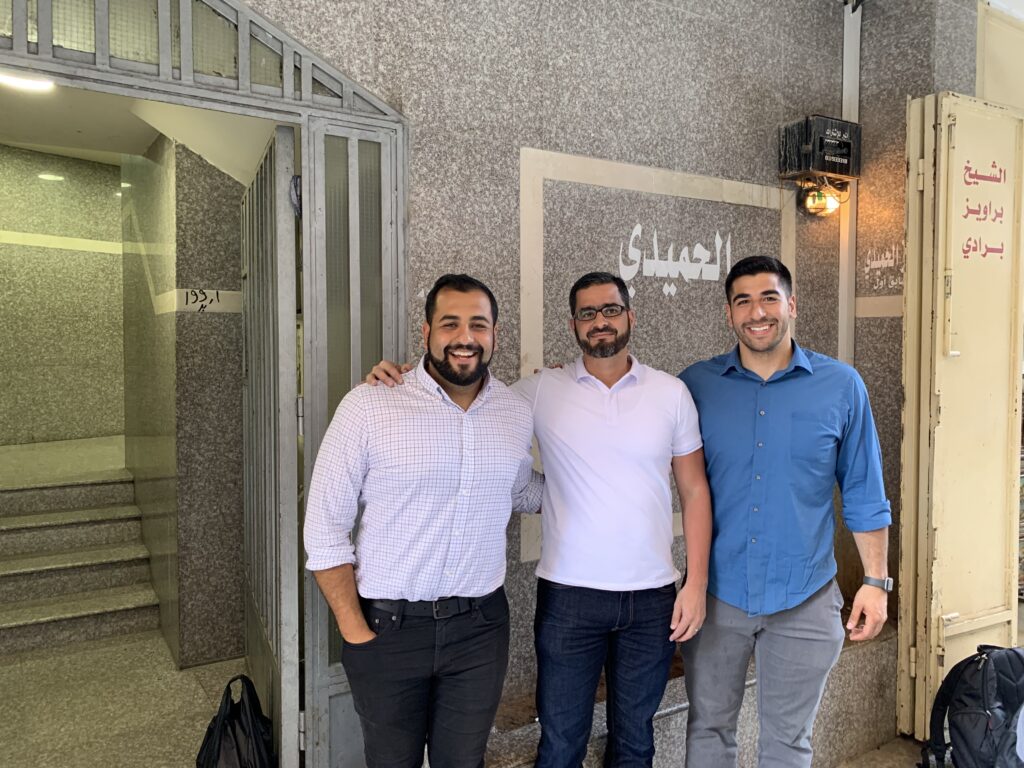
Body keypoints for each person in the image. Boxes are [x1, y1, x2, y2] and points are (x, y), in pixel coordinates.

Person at [368, 272, 712, 767]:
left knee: (635, 740)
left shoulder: (670, 392)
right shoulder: (539, 391)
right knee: (561, 742)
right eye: (588, 313)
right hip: (569, 599)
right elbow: (464, 397)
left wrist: (694, 582)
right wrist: (401, 381)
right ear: (573, 324)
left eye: (611, 310)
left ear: (630, 316)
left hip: (652, 598)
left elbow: (695, 489)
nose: (601, 322)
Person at [304, 273, 543, 768]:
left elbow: (520, 491)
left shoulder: (515, 412)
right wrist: (355, 632)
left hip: (480, 630)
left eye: (478, 324)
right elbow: (324, 528)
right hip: (388, 631)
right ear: (426, 331)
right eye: (450, 322)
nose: (465, 337)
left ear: (495, 333)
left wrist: (607, 472)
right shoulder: (371, 404)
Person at [678, 255, 892, 768]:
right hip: (716, 596)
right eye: (743, 301)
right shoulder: (694, 386)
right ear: (729, 313)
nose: (757, 312)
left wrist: (876, 581)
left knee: (788, 742)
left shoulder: (842, 387)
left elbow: (864, 490)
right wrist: (576, 381)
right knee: (707, 730)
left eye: (769, 297)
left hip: (805, 596)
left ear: (791, 305)